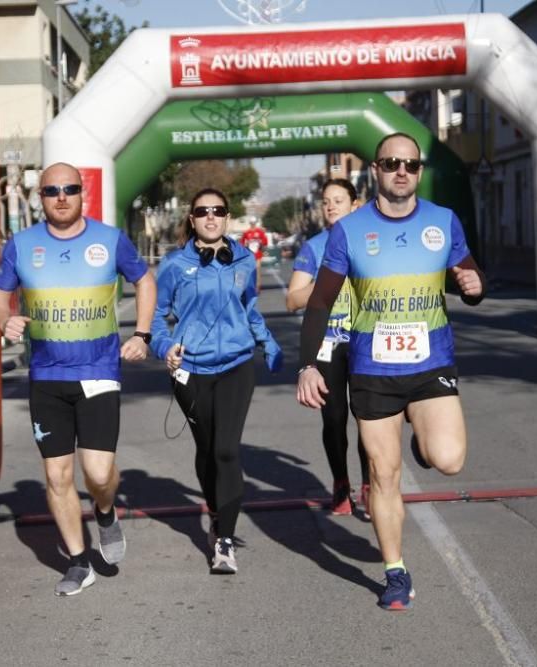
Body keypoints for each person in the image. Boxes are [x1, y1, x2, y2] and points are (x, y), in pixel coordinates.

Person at [296, 132, 485, 611]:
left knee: (449, 459)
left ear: (419, 172)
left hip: (430, 363)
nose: (401, 171)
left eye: (410, 164)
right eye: (390, 163)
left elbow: (469, 278)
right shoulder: (349, 231)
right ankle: (395, 572)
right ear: (376, 171)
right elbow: (319, 301)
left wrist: (474, 286)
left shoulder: (443, 222)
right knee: (383, 472)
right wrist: (308, 365)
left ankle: (423, 437)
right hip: (372, 369)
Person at [0, 161, 156, 597]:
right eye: (51, 190)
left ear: (82, 193)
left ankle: (104, 511)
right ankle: (79, 562)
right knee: (58, 476)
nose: (61, 196)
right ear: (39, 197)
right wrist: (5, 319)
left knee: (98, 475)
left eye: (69, 189)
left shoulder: (109, 239)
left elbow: (145, 279)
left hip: (99, 370)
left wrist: (141, 334)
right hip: (46, 376)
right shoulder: (22, 245)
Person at [151, 187, 283, 575]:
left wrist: (267, 341)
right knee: (207, 451)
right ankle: (214, 510)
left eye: (218, 210)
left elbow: (251, 308)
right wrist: (163, 347)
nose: (211, 217)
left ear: (227, 217)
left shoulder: (244, 259)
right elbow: (158, 317)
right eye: (202, 211)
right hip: (190, 370)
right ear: (191, 220)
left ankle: (224, 539)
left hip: (237, 366)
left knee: (226, 450)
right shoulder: (175, 265)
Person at [286, 178, 370, 517]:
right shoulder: (314, 247)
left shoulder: (368, 240)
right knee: (334, 419)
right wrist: (324, 283)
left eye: (338, 200)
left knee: (370, 418)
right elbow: (292, 299)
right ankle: (340, 482)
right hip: (328, 345)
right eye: (325, 201)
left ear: (355, 205)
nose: (331, 206)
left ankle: (370, 485)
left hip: (365, 341)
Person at [240, 218, 269, 293]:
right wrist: (245, 245)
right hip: (249, 255)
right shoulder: (246, 233)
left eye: (254, 223)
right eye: (251, 223)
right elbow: (242, 243)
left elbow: (265, 242)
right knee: (250, 271)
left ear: (255, 223)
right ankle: (250, 286)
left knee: (257, 269)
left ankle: (257, 286)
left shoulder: (260, 232)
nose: (253, 224)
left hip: (258, 254)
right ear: (250, 223)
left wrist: (261, 244)